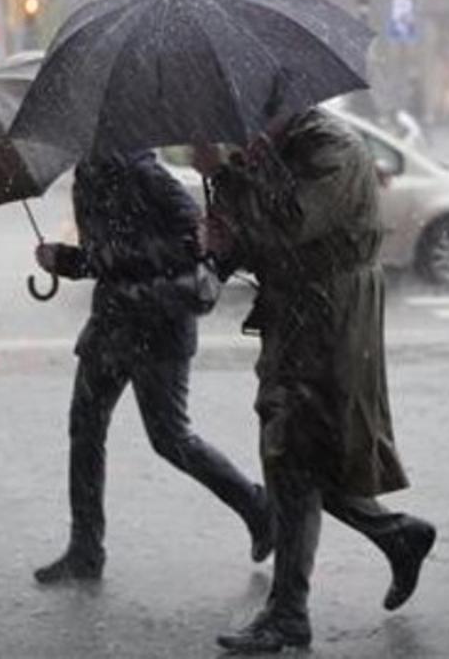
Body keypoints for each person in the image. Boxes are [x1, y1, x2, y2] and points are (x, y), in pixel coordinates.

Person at [193, 107, 436, 653]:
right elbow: (262, 238)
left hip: (330, 317)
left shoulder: (333, 148)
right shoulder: (279, 147)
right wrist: (219, 243)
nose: (245, 122)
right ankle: (396, 536)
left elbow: (291, 223)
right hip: (297, 314)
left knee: (294, 453)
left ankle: (289, 614)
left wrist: (230, 175)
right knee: (300, 454)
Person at [32, 149, 273, 584]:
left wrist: (125, 257)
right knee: (84, 429)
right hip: (109, 326)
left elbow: (194, 245)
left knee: (170, 438)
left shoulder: (147, 173)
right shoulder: (87, 175)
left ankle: (258, 509)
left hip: (158, 327)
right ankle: (86, 549)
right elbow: (98, 259)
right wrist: (63, 260)